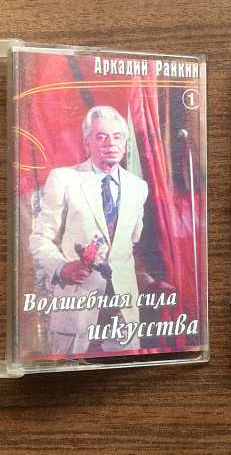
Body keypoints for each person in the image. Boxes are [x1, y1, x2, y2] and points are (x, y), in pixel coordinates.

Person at [30, 106, 161, 355]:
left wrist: (148, 281)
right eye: (101, 137)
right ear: (87, 144)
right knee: (69, 373)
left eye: (117, 136)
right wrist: (61, 267)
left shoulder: (138, 187)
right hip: (77, 304)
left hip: (123, 309)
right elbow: (40, 238)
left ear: (124, 143)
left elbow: (131, 243)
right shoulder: (64, 179)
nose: (111, 143)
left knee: (124, 373)